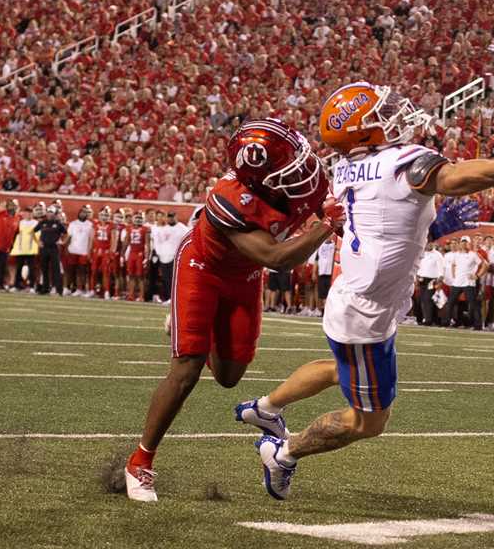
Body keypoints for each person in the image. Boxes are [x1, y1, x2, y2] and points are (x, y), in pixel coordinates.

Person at [236, 83, 494, 500]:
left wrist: (430, 228)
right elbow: (474, 176)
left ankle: (265, 408)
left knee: (339, 369)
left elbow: (378, 220)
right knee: (368, 422)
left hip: (356, 298)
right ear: (361, 132)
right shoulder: (400, 163)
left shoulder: (349, 166)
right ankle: (284, 453)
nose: (394, 116)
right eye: (379, 114)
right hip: (366, 315)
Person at [124, 120, 338, 503]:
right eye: (289, 167)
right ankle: (140, 462)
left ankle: (193, 326)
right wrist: (326, 226)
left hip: (244, 276)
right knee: (187, 369)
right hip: (203, 269)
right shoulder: (227, 196)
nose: (303, 172)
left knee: (228, 376)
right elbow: (277, 258)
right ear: (258, 179)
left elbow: (329, 202)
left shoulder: (300, 177)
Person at [150, 212, 190, 302]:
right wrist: (158, 253)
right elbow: (159, 242)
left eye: (172, 217)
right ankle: (169, 297)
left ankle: (175, 298)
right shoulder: (165, 228)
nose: (170, 219)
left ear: (176, 217)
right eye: (169, 217)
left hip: (176, 257)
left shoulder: (182, 228)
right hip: (164, 256)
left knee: (174, 279)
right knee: (166, 278)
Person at [34, 204, 67, 295]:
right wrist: (38, 242)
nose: (49, 214)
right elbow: (33, 232)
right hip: (44, 248)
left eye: (51, 212)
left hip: (54, 249)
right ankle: (45, 288)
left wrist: (62, 241)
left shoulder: (58, 223)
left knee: (56, 270)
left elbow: (66, 233)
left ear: (55, 214)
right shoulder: (42, 222)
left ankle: (58, 290)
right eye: (48, 212)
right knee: (44, 269)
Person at [64, 206, 94, 296]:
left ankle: (80, 288)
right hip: (73, 250)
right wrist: (65, 247)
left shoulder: (90, 225)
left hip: (83, 252)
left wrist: (89, 251)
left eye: (85, 213)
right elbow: (69, 237)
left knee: (81, 271)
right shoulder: (73, 224)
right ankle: (68, 287)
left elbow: (91, 239)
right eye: (81, 212)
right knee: (70, 270)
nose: (82, 214)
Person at [314, 235, 337, 317]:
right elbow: (316, 260)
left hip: (331, 274)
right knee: (322, 294)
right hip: (322, 272)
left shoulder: (334, 246)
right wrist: (314, 272)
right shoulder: (320, 246)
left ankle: (327, 311)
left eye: (330, 236)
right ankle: (323, 310)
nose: (328, 237)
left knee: (329, 293)